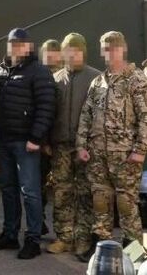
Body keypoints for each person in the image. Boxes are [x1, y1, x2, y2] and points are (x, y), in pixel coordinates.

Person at [76, 31, 147, 260]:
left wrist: (140, 150)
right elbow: (86, 114)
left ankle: (134, 253)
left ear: (122, 49)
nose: (109, 52)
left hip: (126, 155)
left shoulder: (136, 79)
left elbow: (145, 116)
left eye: (113, 47)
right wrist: (81, 145)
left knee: (127, 205)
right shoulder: (98, 81)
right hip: (97, 155)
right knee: (100, 202)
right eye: (105, 47)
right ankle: (101, 249)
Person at [0, 28, 56, 260]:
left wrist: (36, 138)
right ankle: (9, 234)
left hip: (26, 143)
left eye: (20, 44)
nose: (16, 48)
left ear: (28, 47)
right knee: (7, 189)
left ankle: (33, 238)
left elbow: (47, 106)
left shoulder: (39, 71)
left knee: (30, 192)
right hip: (4, 140)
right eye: (12, 44)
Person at [46, 33, 100, 258]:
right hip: (60, 146)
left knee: (85, 193)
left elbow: (100, 116)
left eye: (76, 50)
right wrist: (47, 141)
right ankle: (64, 237)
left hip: (86, 148)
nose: (72, 54)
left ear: (83, 52)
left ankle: (83, 239)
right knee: (61, 192)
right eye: (68, 50)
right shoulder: (55, 79)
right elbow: (48, 113)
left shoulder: (96, 78)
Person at [39, 38, 63, 237]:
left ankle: (66, 231)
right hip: (43, 141)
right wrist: (43, 141)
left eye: (54, 53)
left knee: (65, 189)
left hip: (63, 140)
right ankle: (39, 223)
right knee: (38, 186)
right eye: (47, 52)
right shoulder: (39, 74)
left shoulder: (66, 76)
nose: (50, 57)